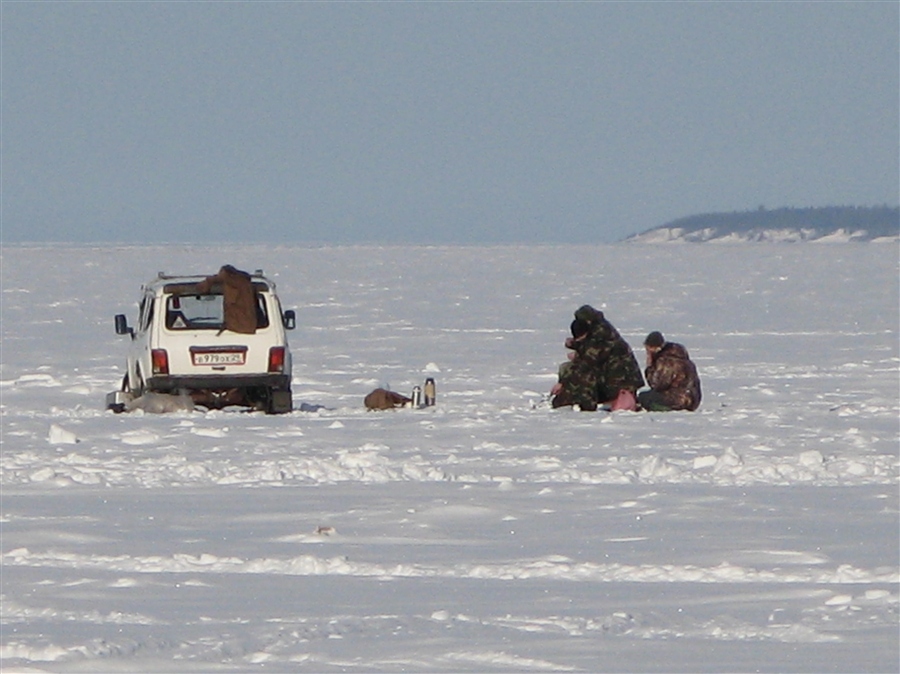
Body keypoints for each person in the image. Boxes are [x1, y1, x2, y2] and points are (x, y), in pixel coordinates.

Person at [551, 305, 644, 411]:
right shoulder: (597, 328)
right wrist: (576, 345)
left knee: (584, 375)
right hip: (615, 375)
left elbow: (588, 361)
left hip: (620, 380)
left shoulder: (600, 333)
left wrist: (563, 382)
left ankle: (582, 403)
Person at [638, 331, 702, 412]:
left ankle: (663, 410)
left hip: (680, 399)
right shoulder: (681, 356)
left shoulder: (667, 361)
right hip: (693, 398)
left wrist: (650, 366)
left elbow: (657, 384)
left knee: (644, 397)